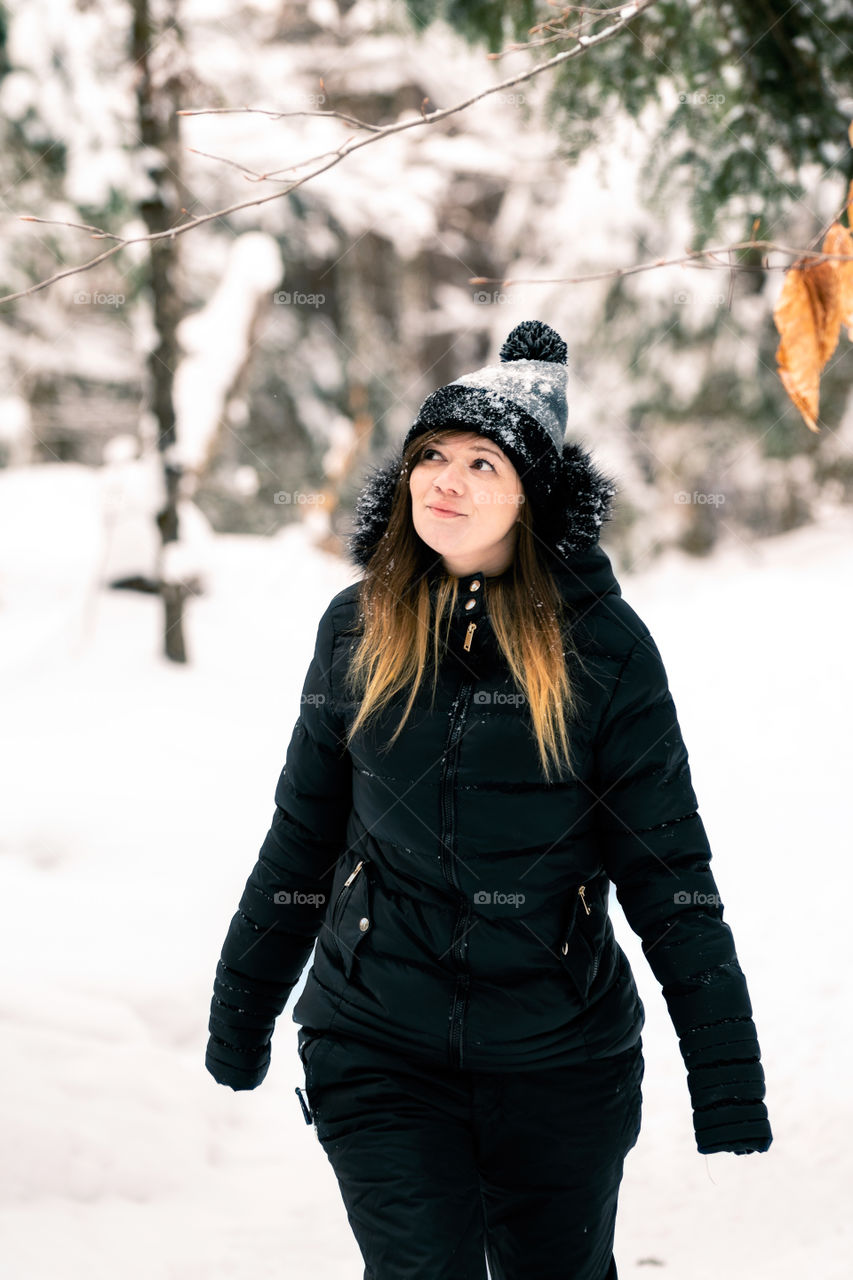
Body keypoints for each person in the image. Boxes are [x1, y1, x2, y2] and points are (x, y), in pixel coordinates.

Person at [205, 320, 772, 1280]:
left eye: (481, 464)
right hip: (375, 1042)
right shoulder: (356, 628)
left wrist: (725, 1078)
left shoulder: (605, 652)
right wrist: (241, 1011)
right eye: (430, 455)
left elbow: (667, 874)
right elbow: (301, 836)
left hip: (559, 1060)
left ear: (531, 501)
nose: (445, 481)